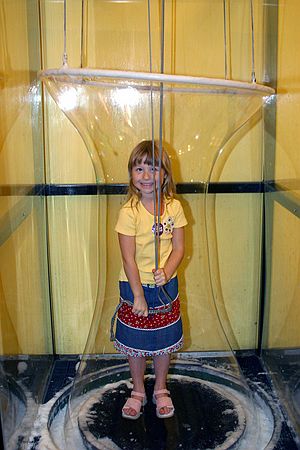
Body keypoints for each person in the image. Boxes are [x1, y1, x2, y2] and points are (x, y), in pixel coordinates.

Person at [114, 140, 187, 420]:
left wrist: (167, 271)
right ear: (131, 173)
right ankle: (137, 390)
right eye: (139, 168)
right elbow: (128, 258)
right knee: (135, 341)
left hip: (166, 286)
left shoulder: (174, 207)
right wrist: (138, 295)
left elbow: (179, 247)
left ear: (165, 174)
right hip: (135, 286)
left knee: (163, 339)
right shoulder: (129, 212)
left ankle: (159, 388)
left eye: (153, 169)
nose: (146, 176)